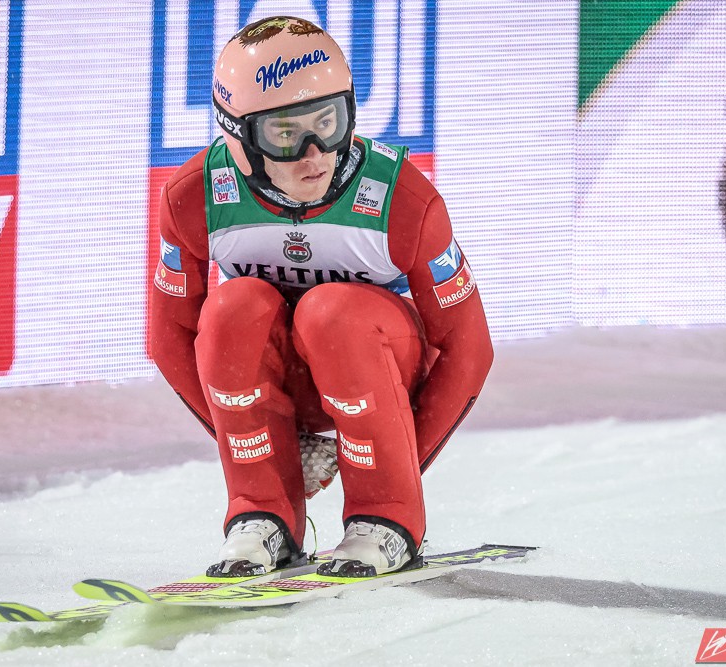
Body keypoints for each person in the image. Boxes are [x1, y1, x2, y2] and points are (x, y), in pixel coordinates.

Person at [149, 16, 493, 578]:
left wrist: (399, 470)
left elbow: (467, 348)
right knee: (232, 309)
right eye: (285, 135)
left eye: (328, 124)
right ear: (239, 138)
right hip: (285, 386)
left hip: (385, 379)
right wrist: (271, 456)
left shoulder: (405, 201)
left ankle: (384, 518)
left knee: (333, 311)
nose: (316, 155)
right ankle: (262, 513)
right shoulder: (196, 198)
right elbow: (170, 338)